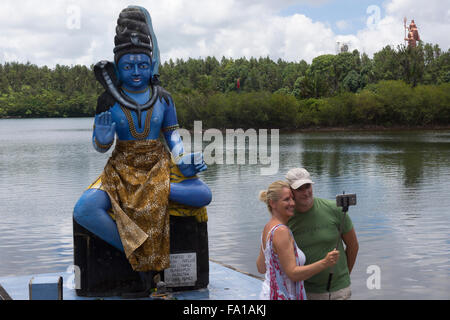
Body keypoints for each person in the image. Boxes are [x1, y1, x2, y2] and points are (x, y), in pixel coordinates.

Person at [73, 6, 211, 274]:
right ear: (117, 68)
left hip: (157, 163)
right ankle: (137, 249)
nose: (136, 71)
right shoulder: (108, 100)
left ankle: (154, 192)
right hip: (122, 167)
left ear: (152, 66)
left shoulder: (162, 97)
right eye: (128, 66)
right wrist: (102, 139)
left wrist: (182, 158)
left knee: (203, 194)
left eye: (142, 65)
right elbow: (100, 145)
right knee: (85, 209)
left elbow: (171, 133)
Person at [256, 181, 340, 300]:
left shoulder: (268, 228)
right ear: (272, 203)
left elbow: (261, 267)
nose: (292, 203)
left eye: (292, 198)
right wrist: (325, 262)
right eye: (286, 199)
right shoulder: (281, 232)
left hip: (268, 293)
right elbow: (293, 274)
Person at [285, 168, 359, 300]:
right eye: (299, 188)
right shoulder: (286, 220)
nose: (306, 192)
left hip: (339, 291)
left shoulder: (335, 209)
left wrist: (344, 276)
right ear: (290, 192)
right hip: (304, 292)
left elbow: (353, 245)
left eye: (307, 186)